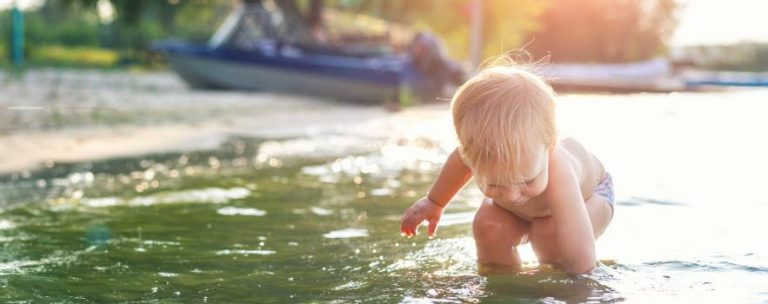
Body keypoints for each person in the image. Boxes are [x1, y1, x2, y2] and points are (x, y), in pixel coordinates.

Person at [399, 64, 614, 274]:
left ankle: (553, 284)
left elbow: (580, 250)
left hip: (593, 196)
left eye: (526, 181)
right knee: (488, 225)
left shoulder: (560, 172)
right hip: (531, 212)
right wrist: (435, 202)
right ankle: (504, 284)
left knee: (548, 234)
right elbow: (458, 163)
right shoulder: (476, 151)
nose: (511, 196)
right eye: (495, 184)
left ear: (549, 146)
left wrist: (583, 287)